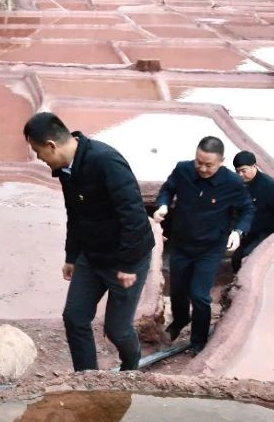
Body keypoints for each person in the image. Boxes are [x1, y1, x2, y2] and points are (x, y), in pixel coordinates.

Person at [24, 112, 155, 372]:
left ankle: (131, 368)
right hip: (92, 255)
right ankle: (87, 379)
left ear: (52, 145)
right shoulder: (65, 170)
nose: (39, 159)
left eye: (39, 153)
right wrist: (71, 256)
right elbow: (75, 214)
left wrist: (128, 265)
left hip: (126, 259)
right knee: (74, 317)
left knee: (117, 330)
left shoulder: (106, 161)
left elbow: (134, 217)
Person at [153, 136, 253, 354]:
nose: (203, 168)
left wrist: (238, 231)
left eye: (209, 165)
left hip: (210, 246)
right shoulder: (183, 170)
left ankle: (198, 342)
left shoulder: (232, 183)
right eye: (199, 162)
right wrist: (163, 205)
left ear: (221, 161)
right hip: (182, 241)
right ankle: (179, 320)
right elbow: (167, 189)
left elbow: (246, 209)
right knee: (178, 289)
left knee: (199, 295)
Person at [231, 151, 274, 273]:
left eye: (244, 170)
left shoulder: (270, 186)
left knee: (248, 259)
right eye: (237, 171)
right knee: (236, 259)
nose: (240, 174)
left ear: (254, 166)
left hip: (267, 232)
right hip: (248, 232)